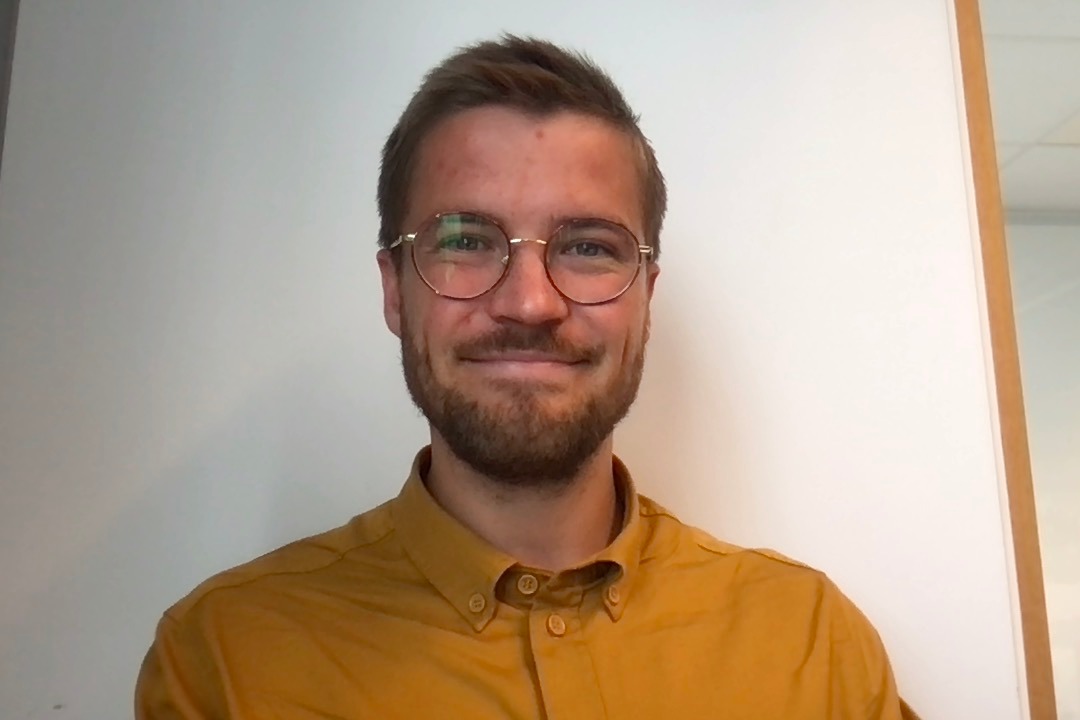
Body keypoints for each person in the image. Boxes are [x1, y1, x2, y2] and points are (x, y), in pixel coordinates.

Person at [136, 35, 905, 719]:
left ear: (645, 299)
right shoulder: (227, 663)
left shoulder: (814, 647)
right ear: (394, 291)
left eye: (589, 247)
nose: (531, 303)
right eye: (466, 240)